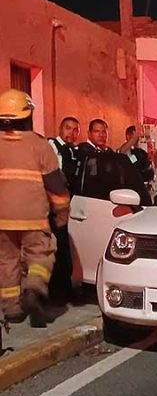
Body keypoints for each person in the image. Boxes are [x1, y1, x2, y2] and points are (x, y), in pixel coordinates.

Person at [0, 90, 70, 327]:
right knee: (40, 256)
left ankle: (12, 311)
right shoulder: (40, 146)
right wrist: (61, 217)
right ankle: (33, 289)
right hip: (33, 217)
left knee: (6, 262)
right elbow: (57, 189)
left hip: (1, 220)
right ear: (28, 115)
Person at [48, 117, 81, 302]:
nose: (72, 133)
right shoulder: (52, 146)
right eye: (68, 128)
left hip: (71, 205)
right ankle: (57, 293)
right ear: (60, 128)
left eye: (75, 129)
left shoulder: (75, 151)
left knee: (67, 248)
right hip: (55, 206)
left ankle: (65, 289)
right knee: (58, 249)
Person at [118, 125, 155, 198]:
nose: (137, 138)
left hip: (146, 187)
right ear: (128, 136)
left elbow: (150, 159)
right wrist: (136, 135)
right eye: (134, 135)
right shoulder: (126, 150)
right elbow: (123, 151)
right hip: (133, 188)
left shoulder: (140, 151)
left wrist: (148, 139)